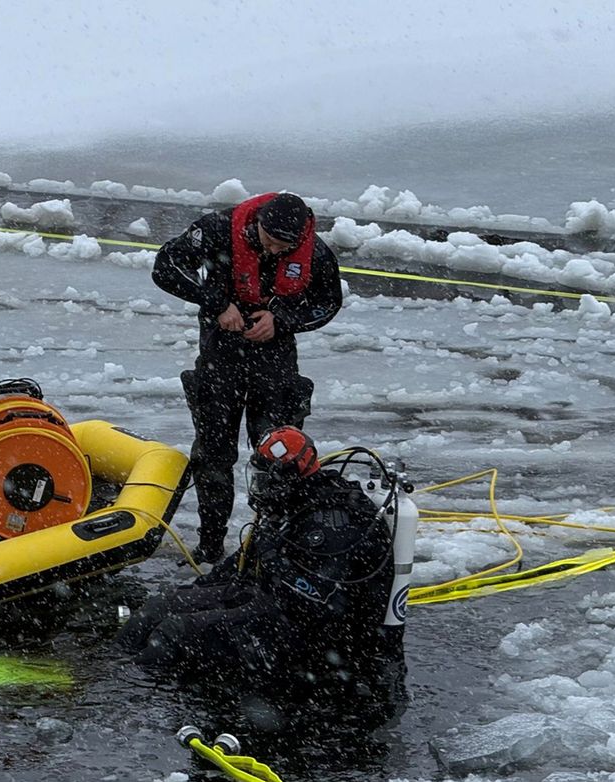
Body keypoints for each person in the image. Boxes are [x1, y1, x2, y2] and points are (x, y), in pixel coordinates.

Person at [117, 426, 403, 706]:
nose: (260, 488)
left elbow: (317, 602)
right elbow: (241, 564)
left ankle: (130, 697)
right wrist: (197, 593)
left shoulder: (332, 526)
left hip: (310, 633)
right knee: (160, 607)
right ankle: (114, 668)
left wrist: (272, 557)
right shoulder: (293, 503)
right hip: (270, 600)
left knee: (176, 633)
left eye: (266, 480)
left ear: (289, 477)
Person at [151, 191, 342, 564]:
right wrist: (217, 303)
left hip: (275, 365)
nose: (272, 250)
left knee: (280, 457)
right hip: (220, 359)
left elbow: (328, 302)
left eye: (282, 246)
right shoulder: (218, 229)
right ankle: (210, 545)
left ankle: (274, 547)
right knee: (213, 456)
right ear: (257, 224)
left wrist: (282, 319)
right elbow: (165, 267)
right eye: (268, 241)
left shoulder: (314, 252)